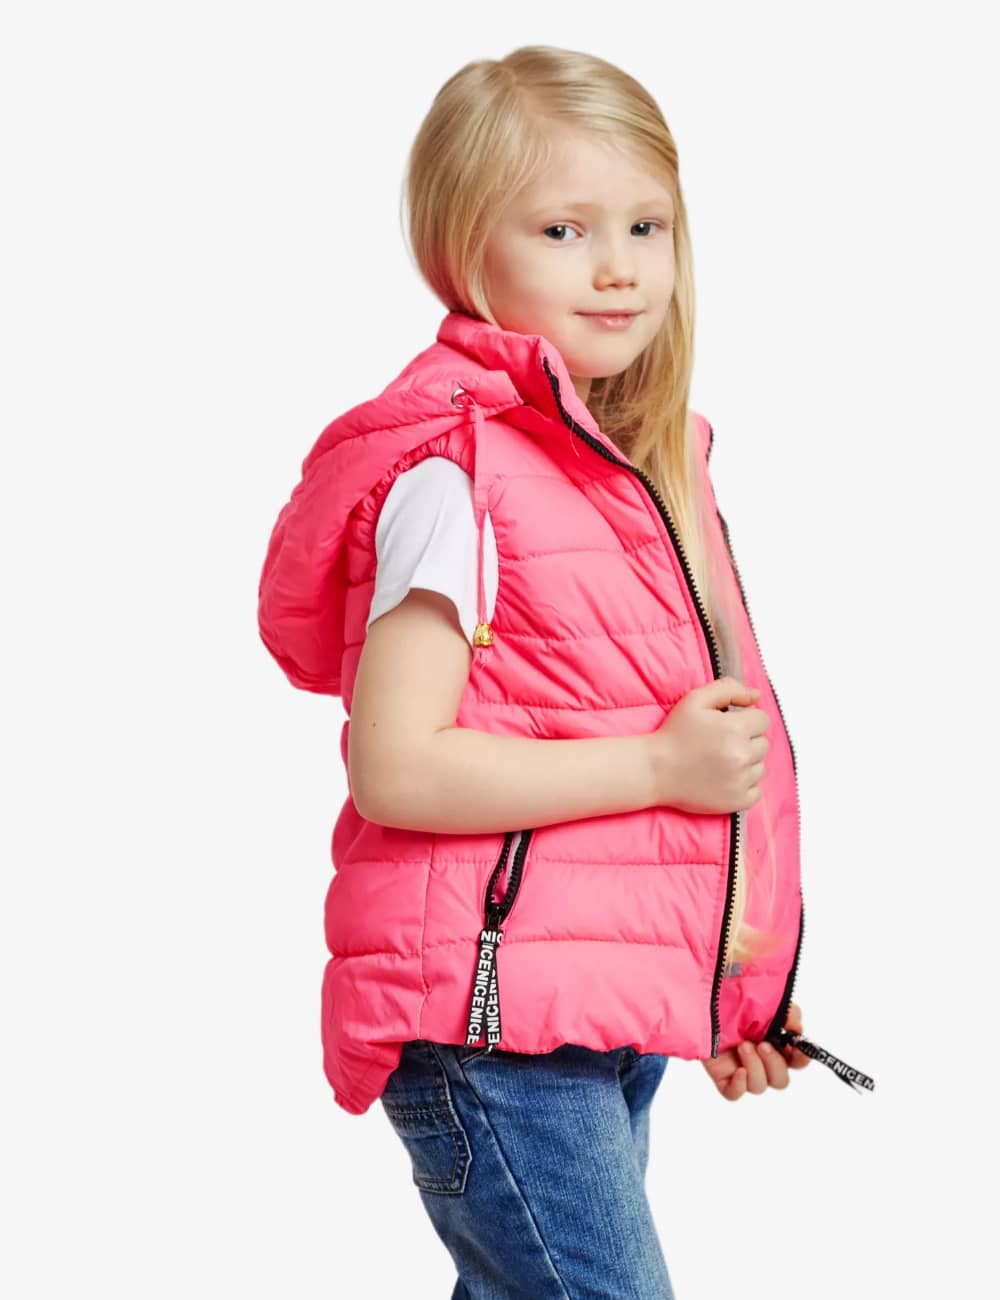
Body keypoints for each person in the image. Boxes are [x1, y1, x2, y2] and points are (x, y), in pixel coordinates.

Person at [257, 43, 874, 1300]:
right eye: (562, 228)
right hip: (488, 1026)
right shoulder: (456, 472)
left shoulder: (638, 464)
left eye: (646, 224)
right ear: (462, 250)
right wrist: (657, 764)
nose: (619, 266)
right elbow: (398, 766)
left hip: (581, 1011)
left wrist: (724, 984)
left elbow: (695, 779)